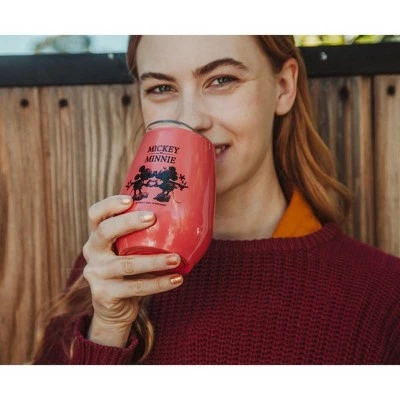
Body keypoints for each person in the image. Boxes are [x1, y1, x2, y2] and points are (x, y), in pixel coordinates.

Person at [33, 35, 400, 364]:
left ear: (284, 87)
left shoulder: (384, 294)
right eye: (161, 88)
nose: (191, 119)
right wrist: (106, 334)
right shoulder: (108, 269)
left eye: (222, 80)